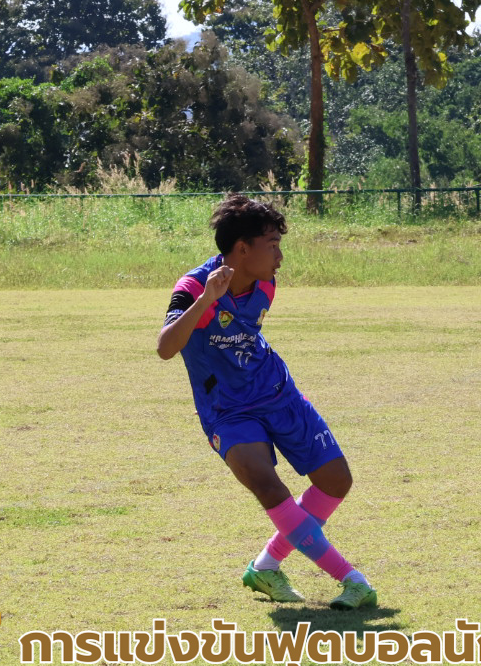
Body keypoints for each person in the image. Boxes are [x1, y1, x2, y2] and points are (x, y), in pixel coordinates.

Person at [156, 195, 377, 611]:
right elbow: (166, 348)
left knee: (336, 481)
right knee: (268, 485)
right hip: (228, 411)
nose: (280, 256)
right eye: (272, 244)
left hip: (278, 393)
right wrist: (206, 300)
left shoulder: (266, 284)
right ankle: (352, 579)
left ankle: (265, 566)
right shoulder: (193, 287)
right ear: (242, 248)